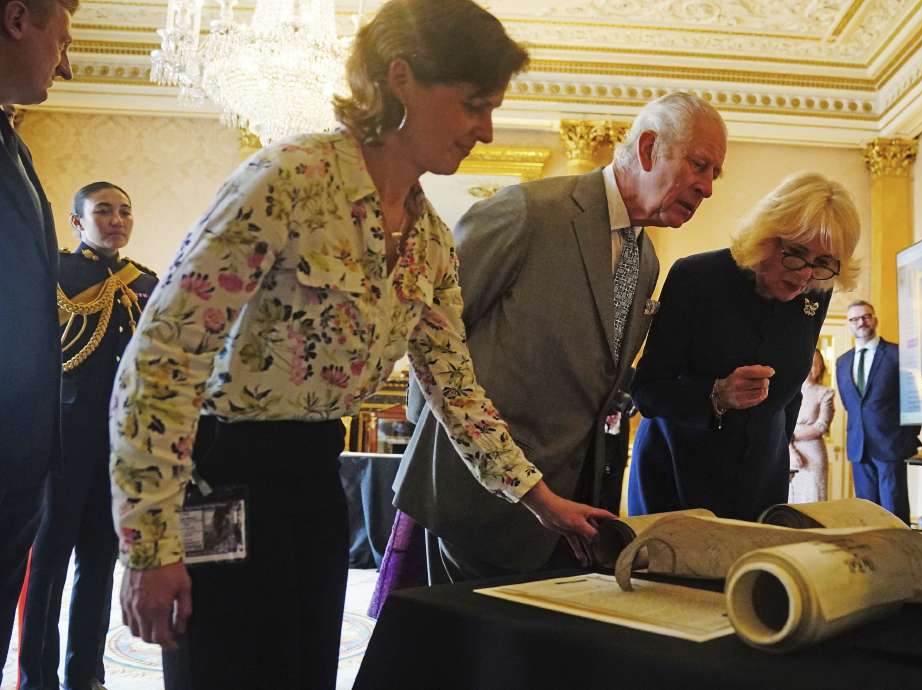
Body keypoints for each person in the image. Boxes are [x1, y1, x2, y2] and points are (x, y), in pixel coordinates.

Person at [108, 1, 608, 687]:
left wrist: (540, 500)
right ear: (401, 78)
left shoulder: (430, 238)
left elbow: (455, 391)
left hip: (316, 483)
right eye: (473, 106)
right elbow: (163, 358)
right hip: (222, 476)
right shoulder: (288, 178)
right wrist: (147, 547)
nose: (485, 132)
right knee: (219, 673)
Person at [392, 92, 726, 583]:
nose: (708, 189)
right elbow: (433, 336)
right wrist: (440, 454)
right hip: (475, 506)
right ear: (649, 147)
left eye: (715, 175)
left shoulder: (647, 260)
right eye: (700, 165)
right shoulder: (528, 212)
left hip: (567, 518)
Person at [627, 172, 861, 521]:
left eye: (823, 263)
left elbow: (791, 392)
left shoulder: (815, 291)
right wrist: (717, 394)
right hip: (677, 468)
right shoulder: (698, 277)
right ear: (767, 237)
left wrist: (779, 447)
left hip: (761, 477)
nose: (803, 275)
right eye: (794, 254)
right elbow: (647, 391)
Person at [19, 182, 157, 690]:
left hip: (118, 446)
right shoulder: (55, 273)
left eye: (125, 210)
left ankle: (85, 675)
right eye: (103, 211)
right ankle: (37, 677)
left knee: (100, 564)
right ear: (79, 222)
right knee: (48, 566)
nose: (117, 219)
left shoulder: (146, 282)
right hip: (60, 442)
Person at [0, 0, 75, 677]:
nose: (69, 59)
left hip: (20, 467)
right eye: (64, 34)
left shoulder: (11, 144)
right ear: (18, 18)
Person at [835, 300, 920, 523]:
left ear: (875, 319)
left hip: (891, 445)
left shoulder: (897, 355)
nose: (860, 322)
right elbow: (850, 404)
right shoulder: (842, 362)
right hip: (858, 446)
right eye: (854, 319)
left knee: (894, 511)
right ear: (849, 325)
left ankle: (899, 555)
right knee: (866, 511)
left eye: (866, 316)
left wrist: (906, 439)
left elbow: (913, 400)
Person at [788, 350, 835, 504]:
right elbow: (782, 425)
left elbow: (821, 426)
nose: (811, 367)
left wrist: (792, 435)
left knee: (813, 501)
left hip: (813, 455)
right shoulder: (789, 392)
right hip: (787, 452)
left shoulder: (825, 393)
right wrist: (791, 450)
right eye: (809, 362)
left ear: (820, 367)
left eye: (816, 364)